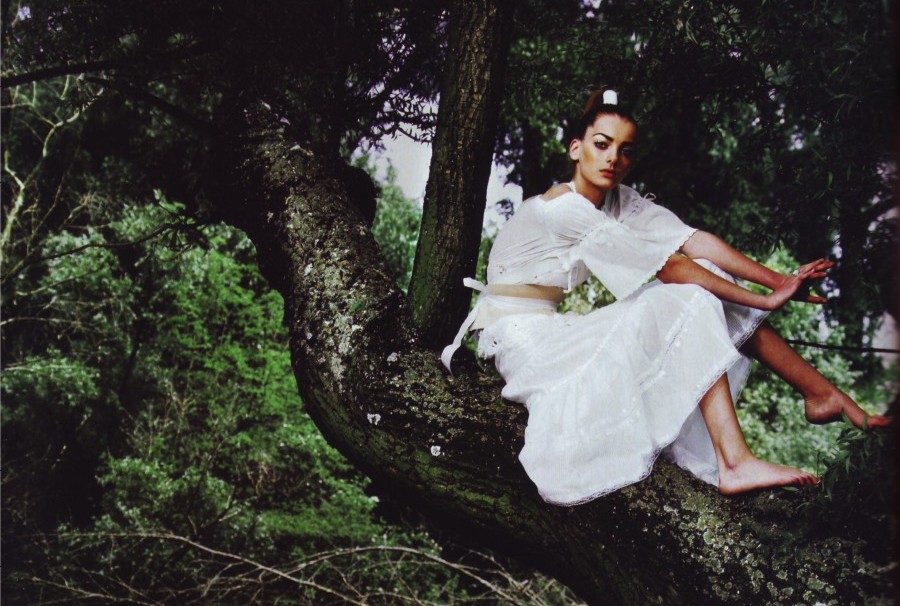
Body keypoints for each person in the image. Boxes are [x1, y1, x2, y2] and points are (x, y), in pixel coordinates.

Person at [441, 89, 890, 506]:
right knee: (686, 293)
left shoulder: (618, 201)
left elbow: (694, 243)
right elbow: (671, 268)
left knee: (705, 279)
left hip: (555, 331)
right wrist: (766, 301)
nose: (613, 158)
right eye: (601, 144)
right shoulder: (564, 206)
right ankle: (735, 460)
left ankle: (822, 394)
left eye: (625, 150)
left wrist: (779, 281)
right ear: (576, 149)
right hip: (524, 343)